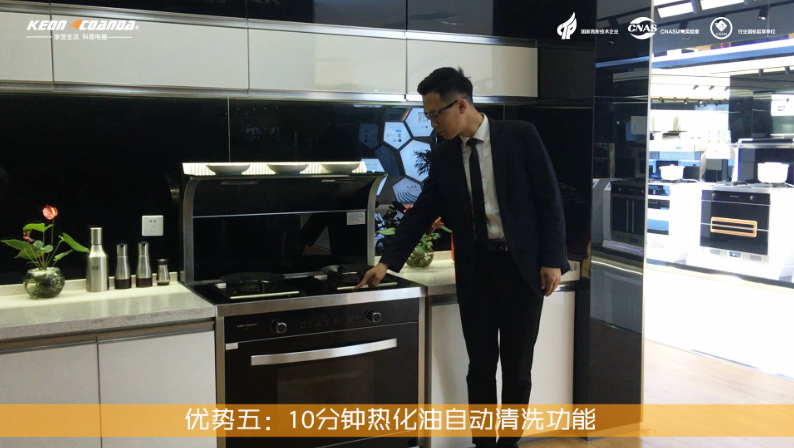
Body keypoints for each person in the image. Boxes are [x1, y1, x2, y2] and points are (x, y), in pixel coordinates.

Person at [356, 67, 569, 448]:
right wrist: (386, 263)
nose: (432, 123)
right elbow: (421, 213)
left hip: (522, 270)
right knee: (481, 367)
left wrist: (552, 258)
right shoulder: (445, 155)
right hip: (477, 271)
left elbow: (549, 199)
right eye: (428, 116)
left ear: (461, 105)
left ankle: (508, 444)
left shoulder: (520, 136)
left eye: (435, 114)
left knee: (518, 368)